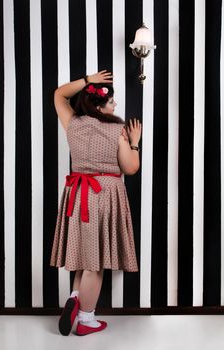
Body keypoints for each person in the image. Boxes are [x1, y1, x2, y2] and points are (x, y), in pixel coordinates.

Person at [50, 70, 142, 336]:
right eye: (112, 102)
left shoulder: (73, 123)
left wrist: (88, 80)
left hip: (78, 194)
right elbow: (131, 167)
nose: (115, 106)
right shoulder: (117, 130)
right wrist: (134, 143)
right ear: (100, 106)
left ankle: (75, 297)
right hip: (105, 194)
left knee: (84, 253)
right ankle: (87, 320)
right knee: (95, 263)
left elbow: (58, 94)